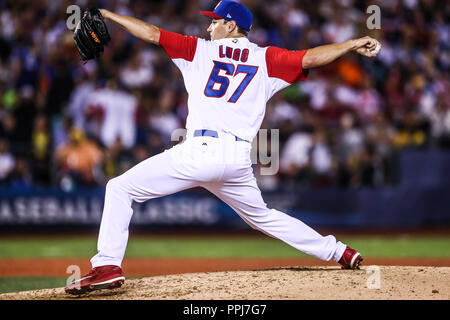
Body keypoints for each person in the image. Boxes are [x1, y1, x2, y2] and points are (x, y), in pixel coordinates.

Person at [65, 0, 381, 295]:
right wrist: (352, 43)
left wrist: (108, 15)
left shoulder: (198, 50)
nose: (208, 28)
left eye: (215, 22)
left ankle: (107, 265)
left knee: (120, 188)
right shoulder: (265, 58)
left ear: (231, 26)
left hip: (199, 150)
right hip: (237, 159)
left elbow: (150, 33)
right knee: (264, 216)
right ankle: (339, 251)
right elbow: (311, 57)